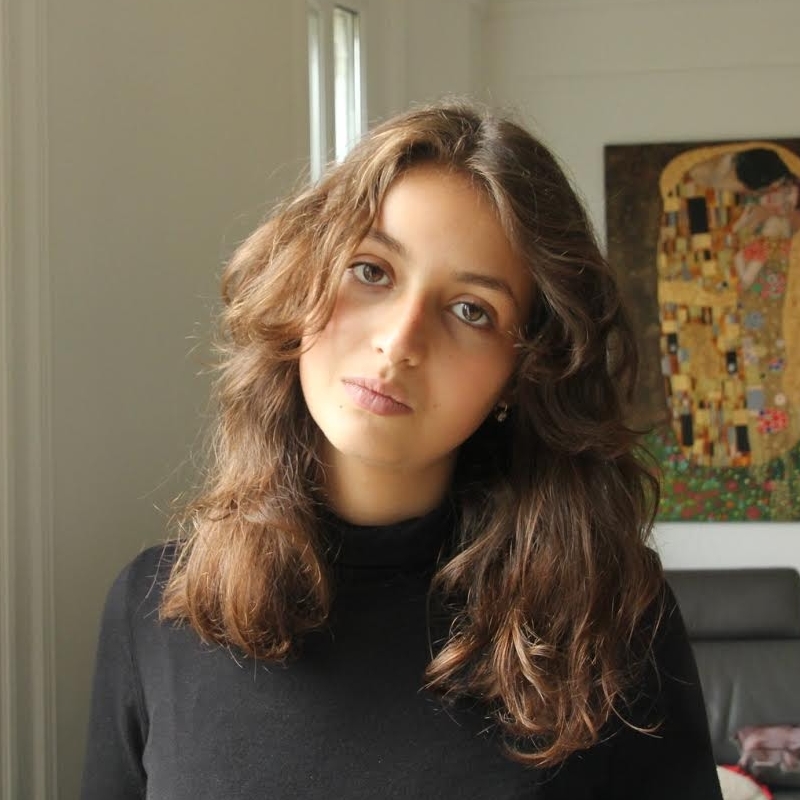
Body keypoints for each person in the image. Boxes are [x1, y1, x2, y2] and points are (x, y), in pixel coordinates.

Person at [81, 102, 723, 799]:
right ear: (303, 283)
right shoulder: (153, 610)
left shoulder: (613, 621)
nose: (400, 340)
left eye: (471, 310)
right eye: (371, 271)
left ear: (520, 375)